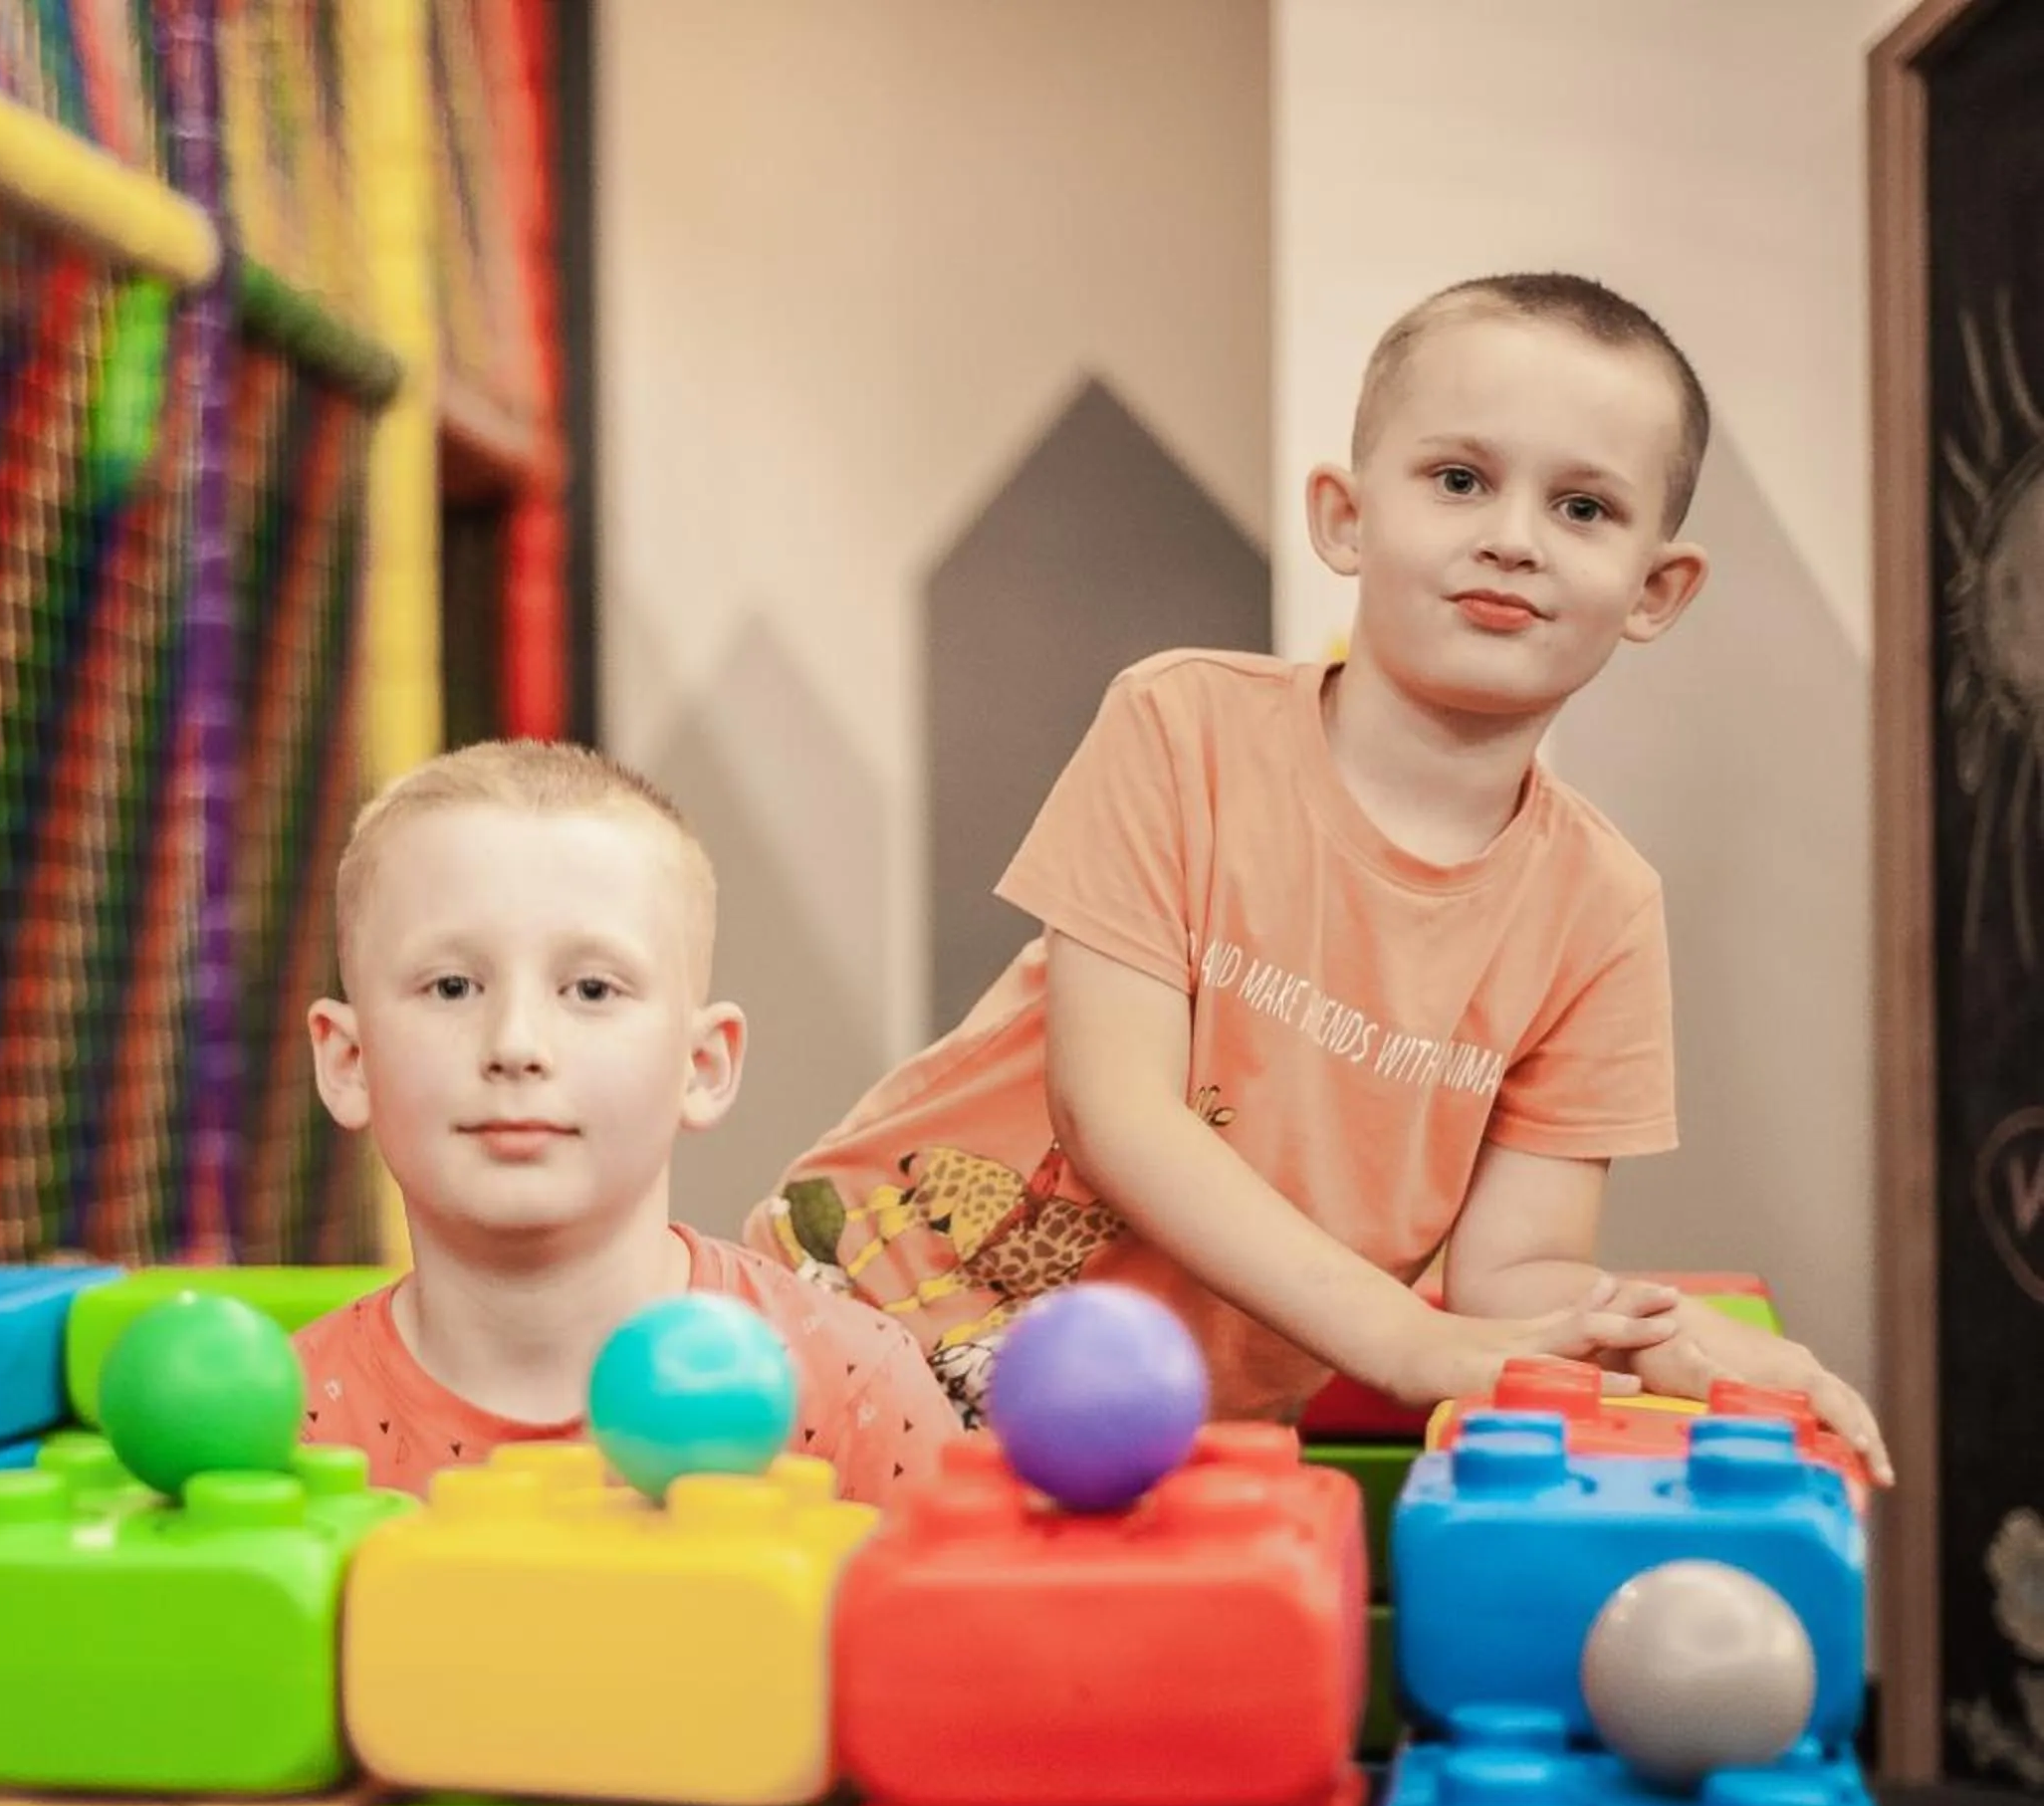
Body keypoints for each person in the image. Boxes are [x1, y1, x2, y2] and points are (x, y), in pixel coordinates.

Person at [746, 272, 1893, 1484]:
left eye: (1583, 506)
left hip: (1145, 1448)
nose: (1513, 534)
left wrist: (1678, 1343)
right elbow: (1115, 1111)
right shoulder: (1183, 727)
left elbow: (1520, 1279)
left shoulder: (1601, 913)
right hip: (862, 1323)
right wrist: (1406, 1339)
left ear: (1657, 588)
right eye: (1460, 480)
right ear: (1347, 517)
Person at [292, 739, 962, 1505]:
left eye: (590, 990)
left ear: (702, 1066)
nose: (515, 1044)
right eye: (451, 987)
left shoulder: (850, 1393)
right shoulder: (281, 1431)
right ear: (348, 1062)